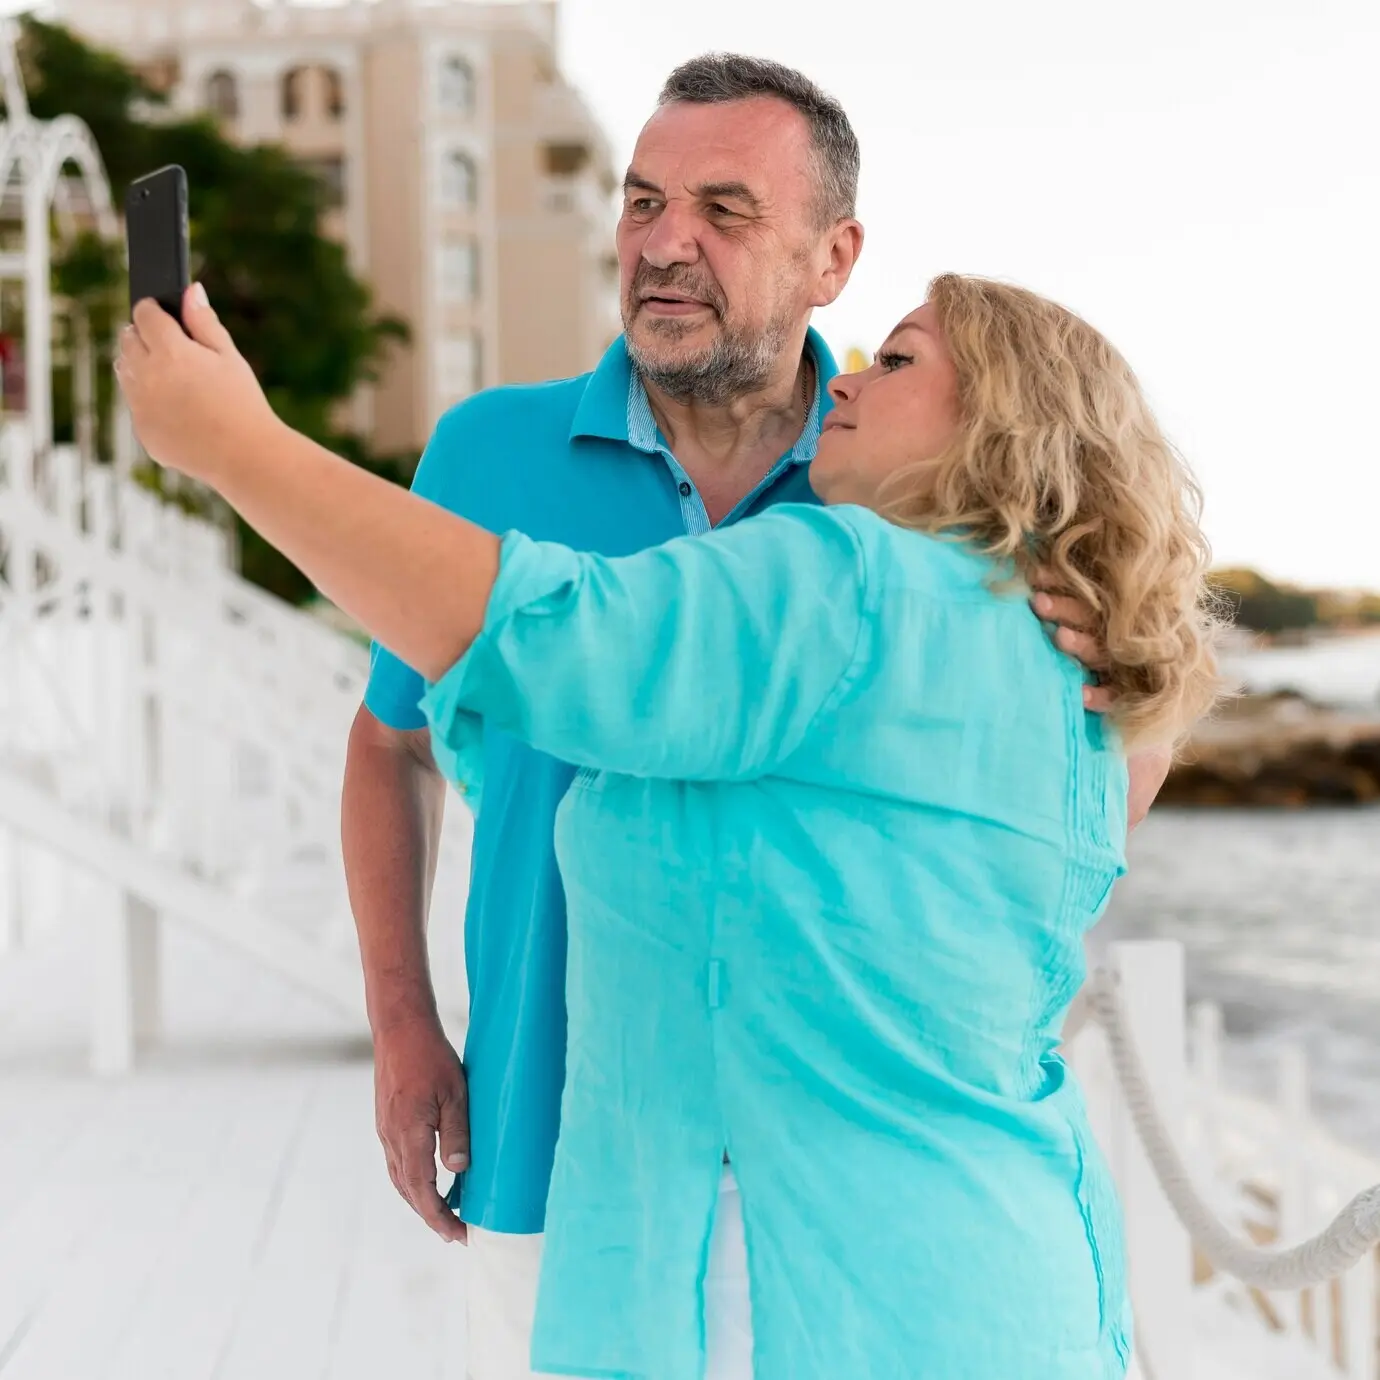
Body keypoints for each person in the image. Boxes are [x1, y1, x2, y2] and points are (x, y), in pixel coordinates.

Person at [115, 263, 1219, 1377]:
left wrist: (235, 446)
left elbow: (541, 629)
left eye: (897, 362)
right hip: (1025, 1281)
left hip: (810, 1296)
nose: (847, 381)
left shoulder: (843, 579)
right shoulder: (1087, 677)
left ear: (1005, 426)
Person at [332, 52, 1161, 1379]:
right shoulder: (485, 453)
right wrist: (402, 1023)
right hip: (542, 1139)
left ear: (834, 257)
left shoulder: (903, 493)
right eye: (642, 202)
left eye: (724, 211)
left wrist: (1134, 679)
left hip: (840, 1187)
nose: (665, 245)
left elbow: (1063, 776)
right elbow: (391, 743)